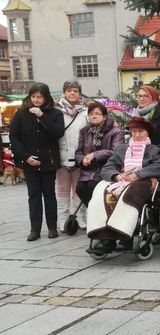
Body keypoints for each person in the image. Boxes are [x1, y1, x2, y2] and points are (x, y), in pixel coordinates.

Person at [86, 116, 160, 253]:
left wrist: (139, 174)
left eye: (140, 131)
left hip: (143, 182)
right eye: (134, 131)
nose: (136, 135)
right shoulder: (121, 149)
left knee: (129, 195)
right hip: (121, 181)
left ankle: (124, 235)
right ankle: (105, 237)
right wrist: (116, 176)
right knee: (101, 191)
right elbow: (108, 167)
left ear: (147, 133)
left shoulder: (153, 149)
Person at [9, 83, 65, 241]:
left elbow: (58, 132)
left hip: (48, 161)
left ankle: (52, 227)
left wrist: (42, 115)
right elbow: (14, 136)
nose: (36, 100)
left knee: (49, 194)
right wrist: (25, 157)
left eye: (39, 97)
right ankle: (35, 229)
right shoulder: (21, 114)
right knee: (33, 195)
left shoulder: (55, 113)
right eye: (33, 96)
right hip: (29, 161)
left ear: (46, 97)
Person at [55, 80, 90, 233]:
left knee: (78, 189)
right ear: (64, 93)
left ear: (79, 93)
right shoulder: (56, 112)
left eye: (75, 91)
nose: (72, 94)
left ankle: (78, 217)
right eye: (69, 91)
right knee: (62, 189)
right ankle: (63, 220)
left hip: (80, 157)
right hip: (61, 156)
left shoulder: (86, 112)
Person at [74, 102, 124, 207]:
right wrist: (82, 160)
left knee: (94, 187)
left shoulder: (115, 131)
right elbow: (79, 151)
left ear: (105, 116)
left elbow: (116, 151)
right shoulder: (85, 131)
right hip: (88, 169)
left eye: (97, 113)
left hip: (106, 168)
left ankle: (100, 212)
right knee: (80, 189)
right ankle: (93, 211)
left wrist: (94, 155)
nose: (94, 116)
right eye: (91, 114)